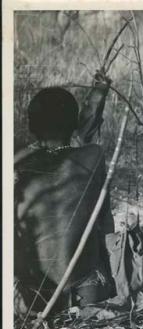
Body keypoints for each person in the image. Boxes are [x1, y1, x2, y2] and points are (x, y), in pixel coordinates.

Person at [14, 71, 116, 315]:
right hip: (88, 291)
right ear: (73, 123)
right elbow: (78, 139)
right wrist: (99, 92)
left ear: (31, 125)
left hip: (31, 297)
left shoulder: (16, 163)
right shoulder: (93, 156)